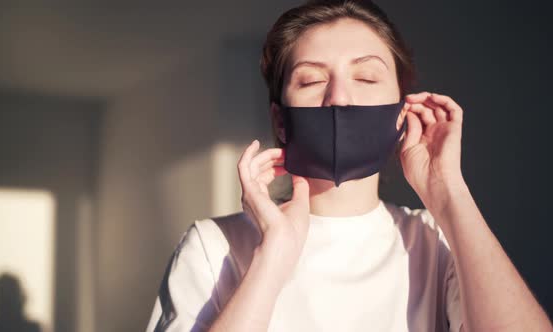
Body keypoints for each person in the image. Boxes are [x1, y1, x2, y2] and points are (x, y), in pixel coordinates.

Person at [146, 1, 553, 331]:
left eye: (367, 78)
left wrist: (449, 193)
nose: (339, 98)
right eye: (310, 81)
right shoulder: (212, 245)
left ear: (401, 112)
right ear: (279, 119)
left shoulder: (436, 241)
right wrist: (272, 259)